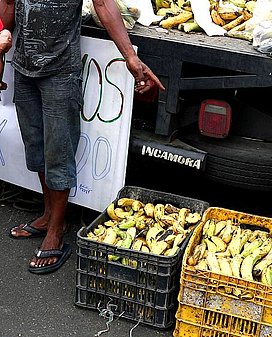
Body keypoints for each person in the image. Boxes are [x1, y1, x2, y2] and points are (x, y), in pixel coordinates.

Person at [1, 0, 165, 274]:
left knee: (59, 151)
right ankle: (47, 215)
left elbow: (102, 4)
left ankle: (56, 229)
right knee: (36, 147)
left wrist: (130, 57)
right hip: (24, 67)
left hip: (60, 73)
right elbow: (7, 5)